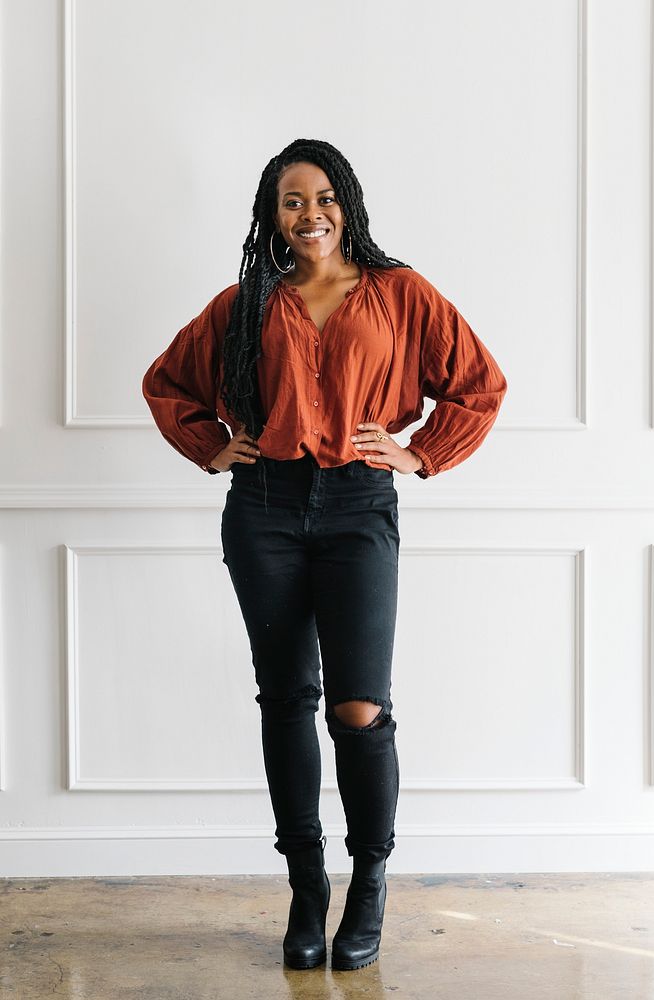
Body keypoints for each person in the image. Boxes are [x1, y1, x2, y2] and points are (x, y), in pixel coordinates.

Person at [142, 137, 508, 972]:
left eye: (322, 198)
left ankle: (369, 882)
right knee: (284, 698)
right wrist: (210, 445)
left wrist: (420, 453)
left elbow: (478, 384)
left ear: (347, 203)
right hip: (263, 508)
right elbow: (167, 381)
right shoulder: (245, 303)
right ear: (271, 217)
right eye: (291, 202)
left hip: (356, 507)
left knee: (358, 709)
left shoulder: (398, 293)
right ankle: (307, 888)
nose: (310, 216)